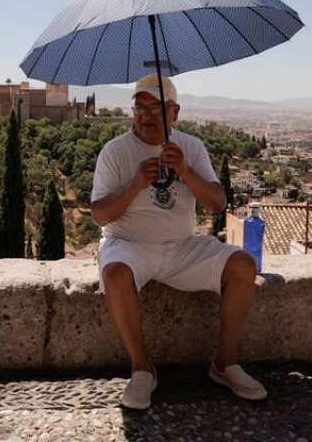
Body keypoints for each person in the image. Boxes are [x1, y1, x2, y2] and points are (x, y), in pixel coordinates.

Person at [90, 73, 266, 410]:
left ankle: (225, 364)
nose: (145, 115)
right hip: (129, 244)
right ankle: (143, 369)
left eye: (155, 109)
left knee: (243, 265)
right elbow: (100, 216)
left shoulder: (191, 147)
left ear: (175, 112)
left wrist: (185, 171)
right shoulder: (115, 152)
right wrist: (135, 186)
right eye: (139, 108)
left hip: (182, 247)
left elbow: (217, 203)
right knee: (114, 275)